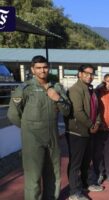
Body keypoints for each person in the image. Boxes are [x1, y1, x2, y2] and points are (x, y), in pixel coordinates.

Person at [7, 55, 71, 200]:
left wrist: (58, 98)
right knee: (33, 177)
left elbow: (67, 111)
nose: (42, 71)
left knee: (53, 174)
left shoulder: (56, 87)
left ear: (49, 68)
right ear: (33, 69)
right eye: (39, 68)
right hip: (32, 139)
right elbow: (13, 114)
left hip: (52, 137)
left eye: (45, 67)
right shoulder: (25, 89)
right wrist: (28, 128)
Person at [65, 64, 103, 200]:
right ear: (79, 74)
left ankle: (86, 183)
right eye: (86, 73)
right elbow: (78, 111)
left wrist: (97, 123)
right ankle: (74, 192)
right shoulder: (75, 90)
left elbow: (97, 109)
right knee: (76, 163)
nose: (89, 76)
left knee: (86, 161)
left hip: (89, 132)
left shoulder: (90, 90)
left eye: (92, 74)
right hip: (77, 132)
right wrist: (91, 125)